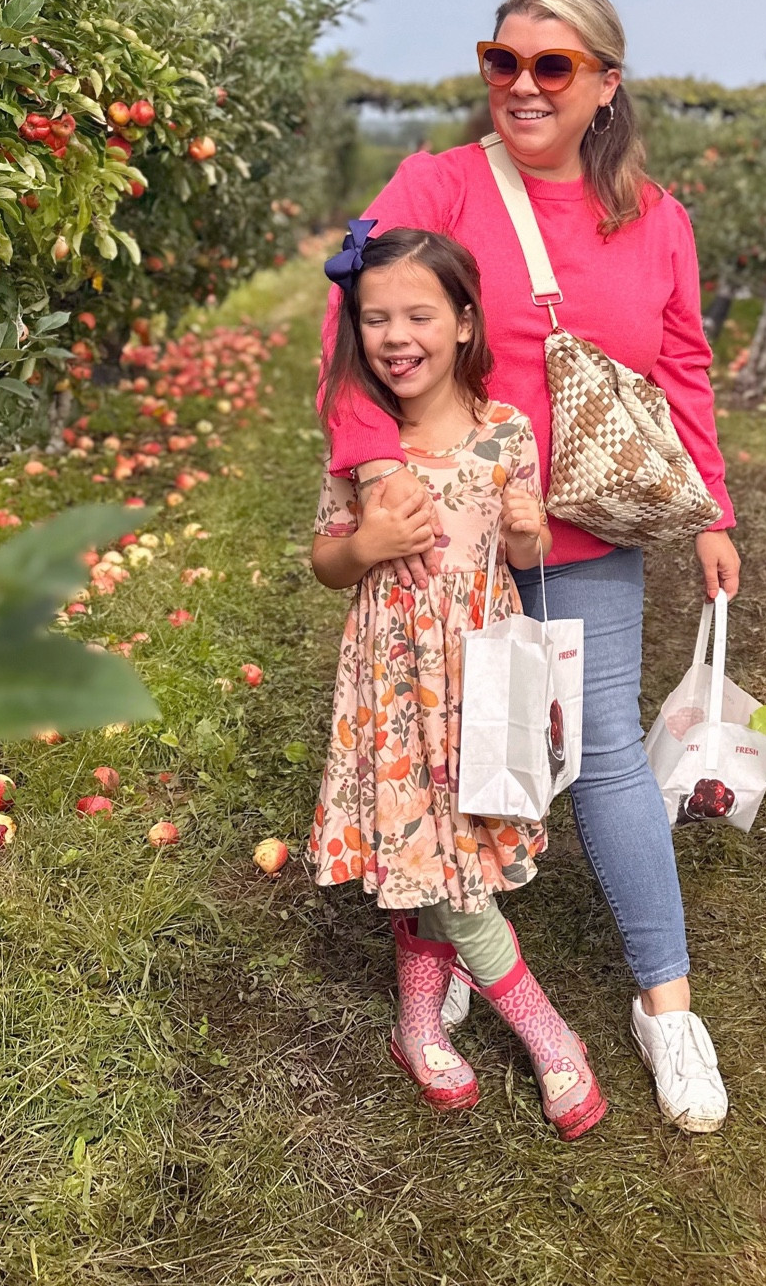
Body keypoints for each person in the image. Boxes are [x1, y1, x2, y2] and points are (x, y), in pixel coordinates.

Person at [320, 0, 738, 1134]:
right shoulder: (437, 184)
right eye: (501, 60)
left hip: (585, 527)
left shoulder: (654, 218)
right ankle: (456, 931)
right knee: (460, 751)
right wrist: (375, 468)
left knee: (600, 750)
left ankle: (665, 1004)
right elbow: (351, 326)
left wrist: (711, 508)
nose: (522, 85)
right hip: (449, 536)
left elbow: (682, 365)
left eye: (552, 65)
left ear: (604, 84)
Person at [308, 224, 608, 1142]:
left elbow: (522, 552)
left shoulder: (504, 431)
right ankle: (546, 1033)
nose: (396, 337)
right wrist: (366, 544)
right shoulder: (364, 443)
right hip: (395, 679)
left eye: (419, 316)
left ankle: (417, 1026)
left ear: (465, 322)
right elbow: (326, 559)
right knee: (435, 858)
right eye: (375, 319)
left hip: (477, 676)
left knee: (451, 853)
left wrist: (524, 532)